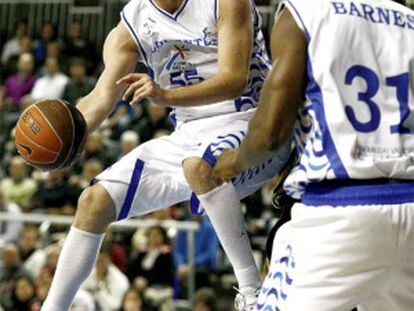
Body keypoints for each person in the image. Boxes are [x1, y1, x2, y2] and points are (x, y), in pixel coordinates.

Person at [41, 1, 291, 310]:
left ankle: (252, 294)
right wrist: (71, 135)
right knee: (93, 202)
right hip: (188, 134)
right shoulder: (132, 21)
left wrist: (164, 95)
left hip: (252, 123)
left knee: (197, 167)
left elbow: (233, 80)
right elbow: (102, 95)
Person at [214, 0, 414, 310]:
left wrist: (234, 162)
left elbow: (270, 134)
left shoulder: (303, 12)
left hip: (340, 211)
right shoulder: (409, 19)